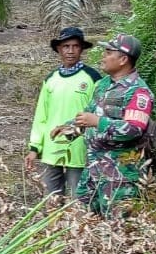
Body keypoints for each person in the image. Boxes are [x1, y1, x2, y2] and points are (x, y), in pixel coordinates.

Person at [66, 33, 155, 217]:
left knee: (118, 231)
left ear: (123, 59)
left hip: (120, 178)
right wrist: (68, 128)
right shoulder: (103, 84)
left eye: (108, 52)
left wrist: (98, 122)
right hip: (92, 173)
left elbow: (134, 129)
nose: (103, 57)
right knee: (83, 226)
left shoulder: (138, 92)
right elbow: (88, 115)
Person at [26, 26, 101, 198]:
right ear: (58, 49)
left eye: (75, 46)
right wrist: (34, 147)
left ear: (81, 49)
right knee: (51, 201)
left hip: (79, 151)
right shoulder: (51, 79)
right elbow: (41, 117)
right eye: (66, 46)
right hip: (51, 150)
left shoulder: (93, 78)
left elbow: (98, 112)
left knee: (79, 202)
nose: (70, 51)